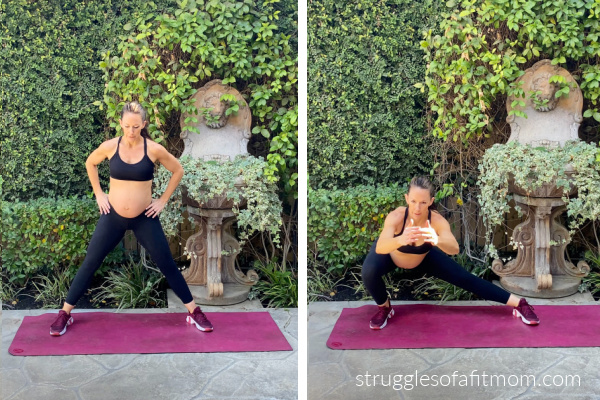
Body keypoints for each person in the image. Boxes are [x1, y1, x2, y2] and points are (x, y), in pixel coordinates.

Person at [50, 101, 212, 336]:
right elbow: (90, 162)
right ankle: (64, 314)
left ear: (143, 124)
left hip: (144, 218)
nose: (131, 131)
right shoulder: (110, 146)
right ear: (121, 124)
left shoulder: (153, 149)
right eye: (127, 126)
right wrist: (99, 193)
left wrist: (162, 200)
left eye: (136, 126)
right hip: (112, 216)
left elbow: (177, 170)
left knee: (167, 263)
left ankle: (194, 312)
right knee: (90, 262)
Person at [362, 176, 540, 330]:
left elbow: (454, 248)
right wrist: (400, 240)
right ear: (407, 198)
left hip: (423, 257)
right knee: (369, 271)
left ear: (431, 201)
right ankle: (385, 308)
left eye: (423, 202)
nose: (417, 207)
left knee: (465, 279)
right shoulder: (396, 217)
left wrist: (436, 239)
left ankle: (520, 303)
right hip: (392, 255)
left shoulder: (436, 220)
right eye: (414, 201)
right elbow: (381, 247)